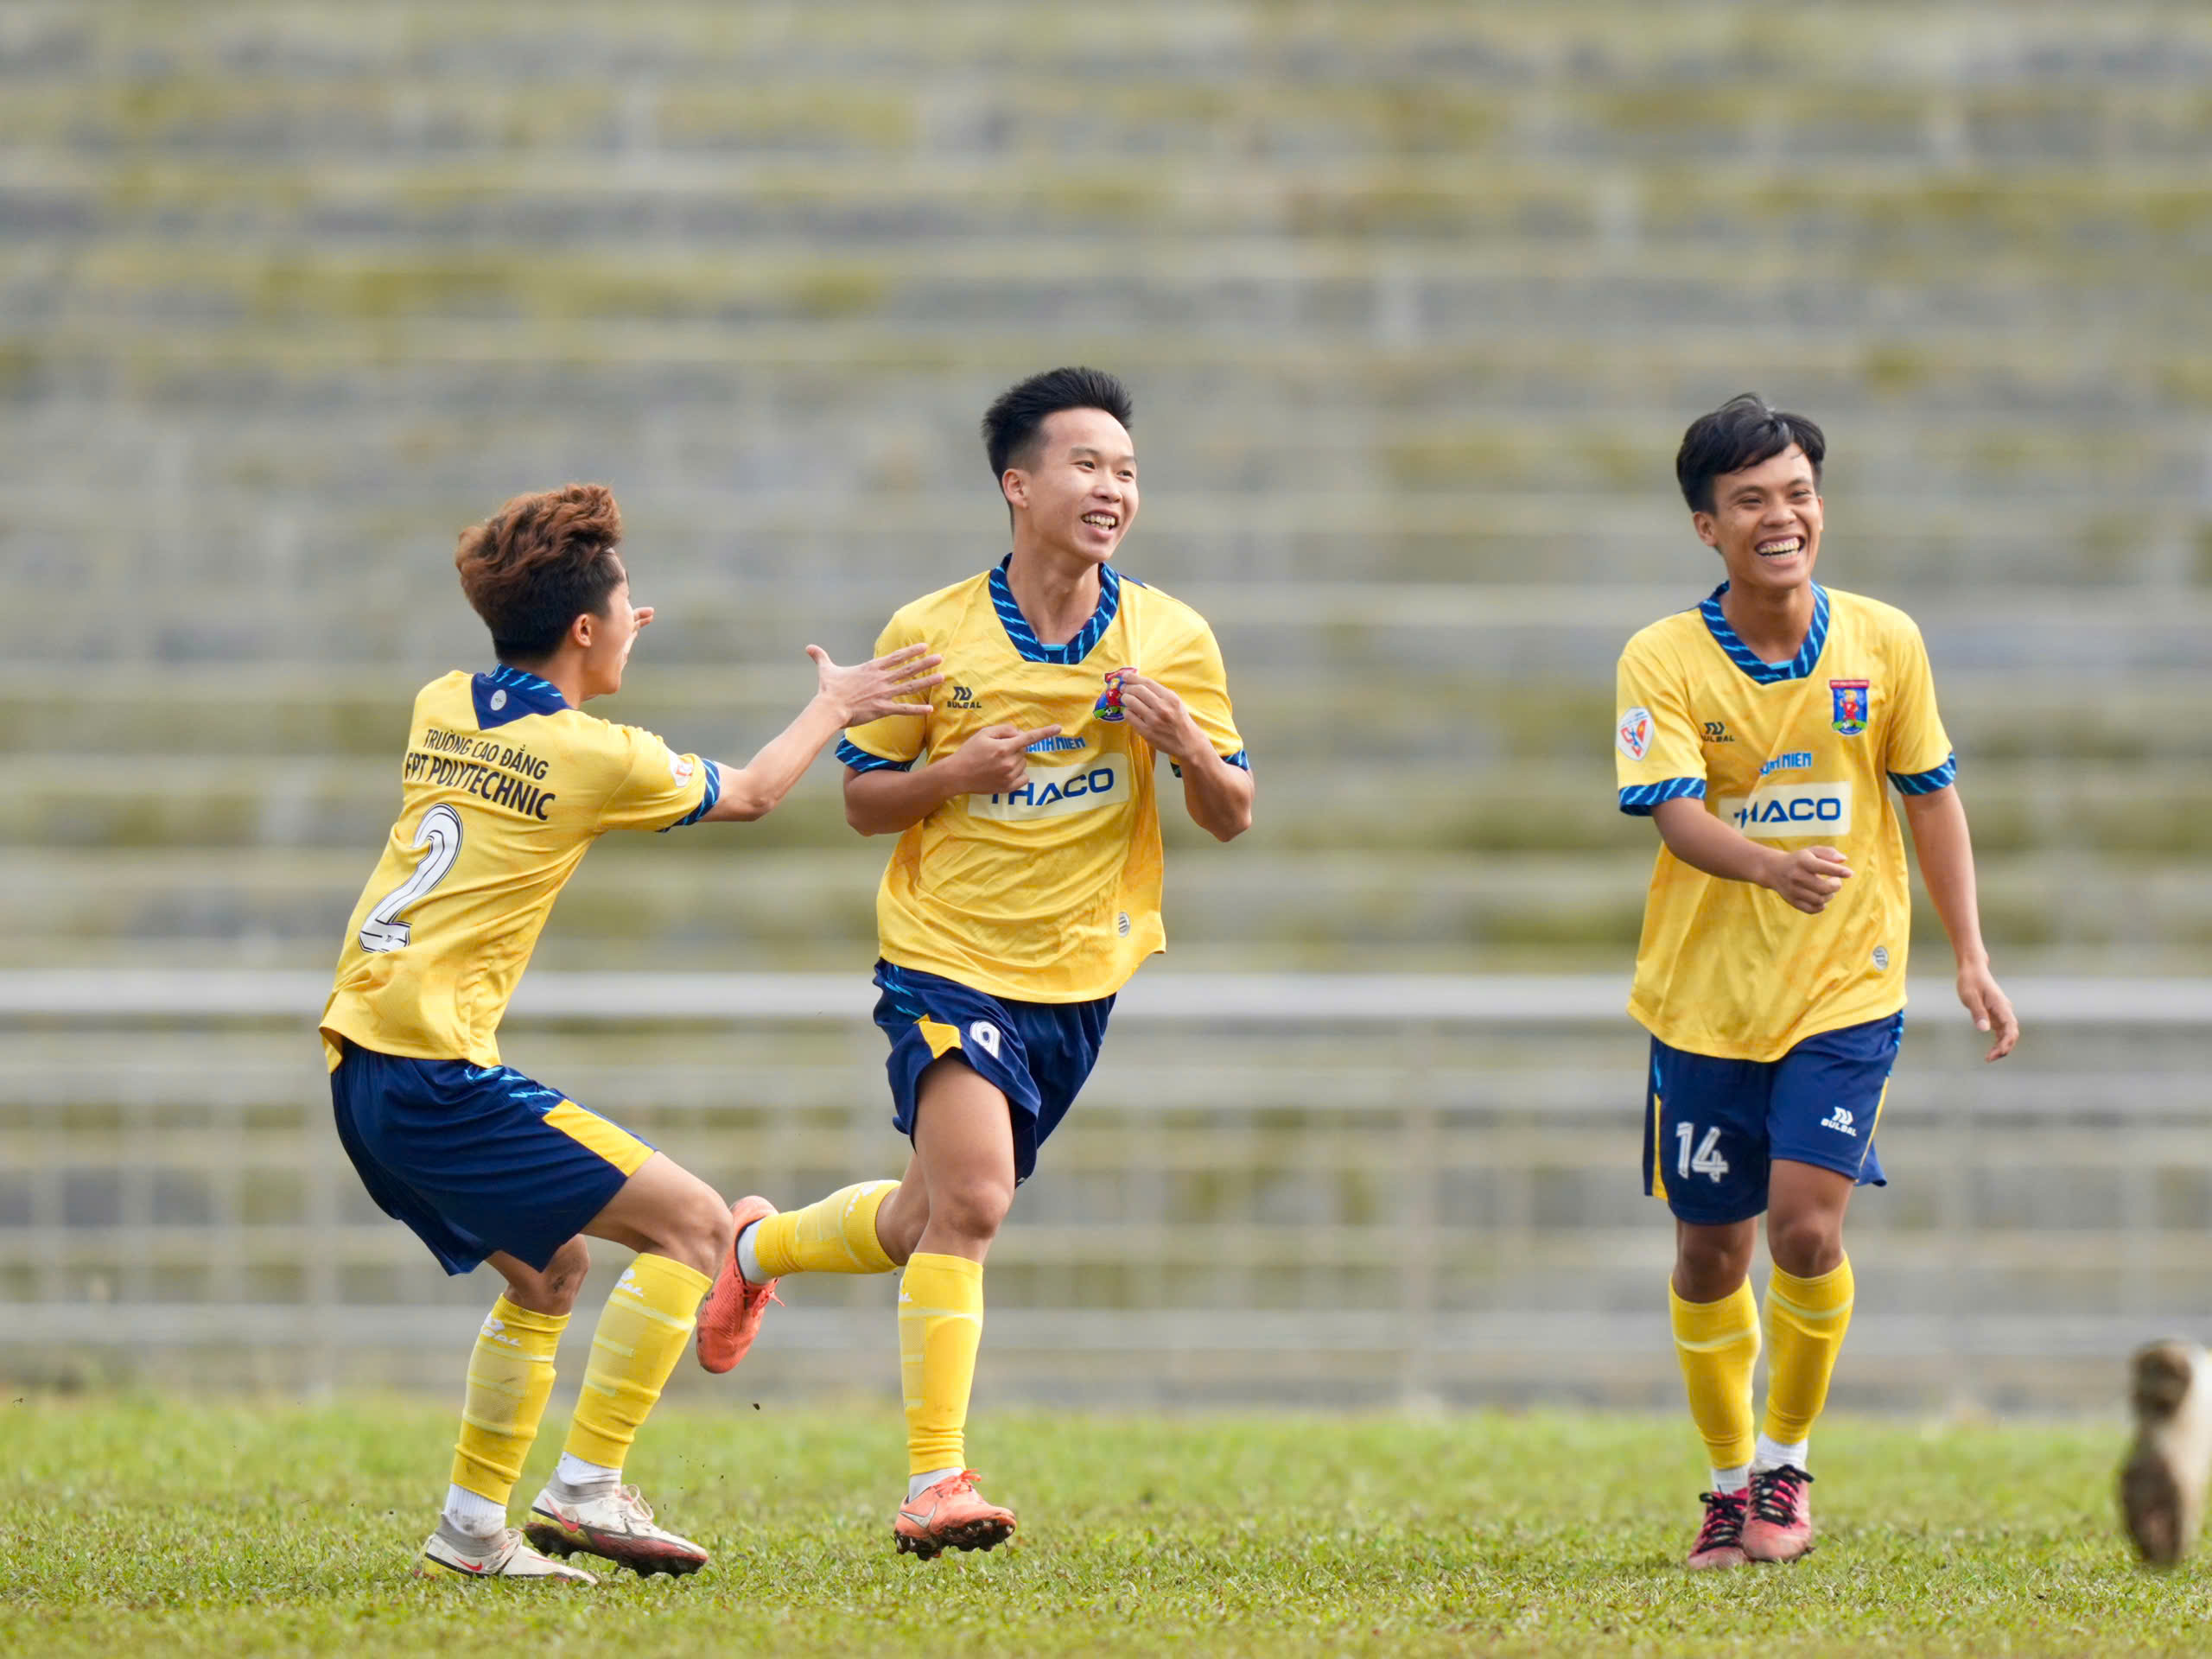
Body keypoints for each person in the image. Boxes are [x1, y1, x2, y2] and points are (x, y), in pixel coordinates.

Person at [318, 483, 939, 1582]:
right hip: (436, 1074)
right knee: (699, 1232)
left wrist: (593, 638)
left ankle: (469, 1536)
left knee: (549, 1276)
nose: (634, 621)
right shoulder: (593, 753)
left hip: (359, 1065)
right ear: (588, 628)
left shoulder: (441, 701)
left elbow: (538, 691)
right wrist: (837, 704)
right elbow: (749, 792)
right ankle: (587, 1491)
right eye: (624, 606)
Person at [692, 365, 1254, 1559]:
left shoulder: (1172, 637)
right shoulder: (932, 633)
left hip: (1081, 974)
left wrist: (1187, 745)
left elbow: (1232, 813)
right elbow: (863, 805)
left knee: (923, 1215)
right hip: (945, 959)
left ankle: (754, 1248)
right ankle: (935, 1482)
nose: (1114, 490)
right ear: (1018, 483)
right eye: (1087, 465)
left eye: (1128, 471)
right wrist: (955, 775)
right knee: (979, 1203)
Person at [1613, 395, 2018, 1570]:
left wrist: (1972, 954)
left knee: (1802, 1228)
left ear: (1819, 508)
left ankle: (1786, 1469)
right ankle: (1725, 1481)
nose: (1779, 517)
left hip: (1847, 987)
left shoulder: (1884, 642)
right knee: (1708, 1255)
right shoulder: (1664, 657)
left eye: (1796, 494)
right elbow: (1676, 816)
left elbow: (1931, 795)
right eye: (1750, 500)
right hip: (1703, 1002)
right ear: (1707, 527)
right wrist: (1768, 865)